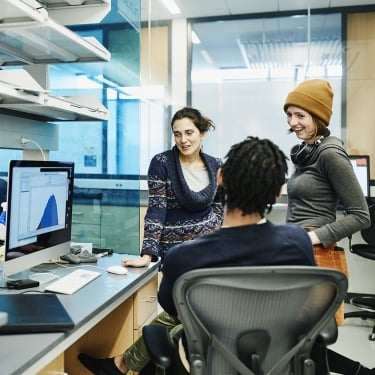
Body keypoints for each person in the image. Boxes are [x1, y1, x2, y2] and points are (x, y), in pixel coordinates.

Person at [158, 136, 374, 375]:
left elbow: (171, 306)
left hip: (212, 364)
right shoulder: (297, 244)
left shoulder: (182, 257)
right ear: (277, 193)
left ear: (220, 178)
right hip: (278, 363)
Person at [78, 107, 224, 374]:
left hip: (207, 253)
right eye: (177, 134)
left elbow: (218, 206)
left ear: (202, 133)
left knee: (183, 313)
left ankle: (123, 365)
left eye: (189, 132)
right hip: (176, 255)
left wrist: (211, 235)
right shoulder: (162, 163)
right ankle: (126, 364)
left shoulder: (216, 165)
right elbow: (156, 210)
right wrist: (148, 253)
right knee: (180, 310)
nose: (183, 140)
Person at [283, 79, 372, 374]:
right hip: (297, 255)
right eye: (290, 114)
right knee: (303, 345)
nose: (292, 122)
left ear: (318, 118)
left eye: (300, 116)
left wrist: (312, 237)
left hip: (317, 257)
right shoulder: (307, 152)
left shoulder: (330, 154)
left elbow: (361, 215)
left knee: (307, 345)